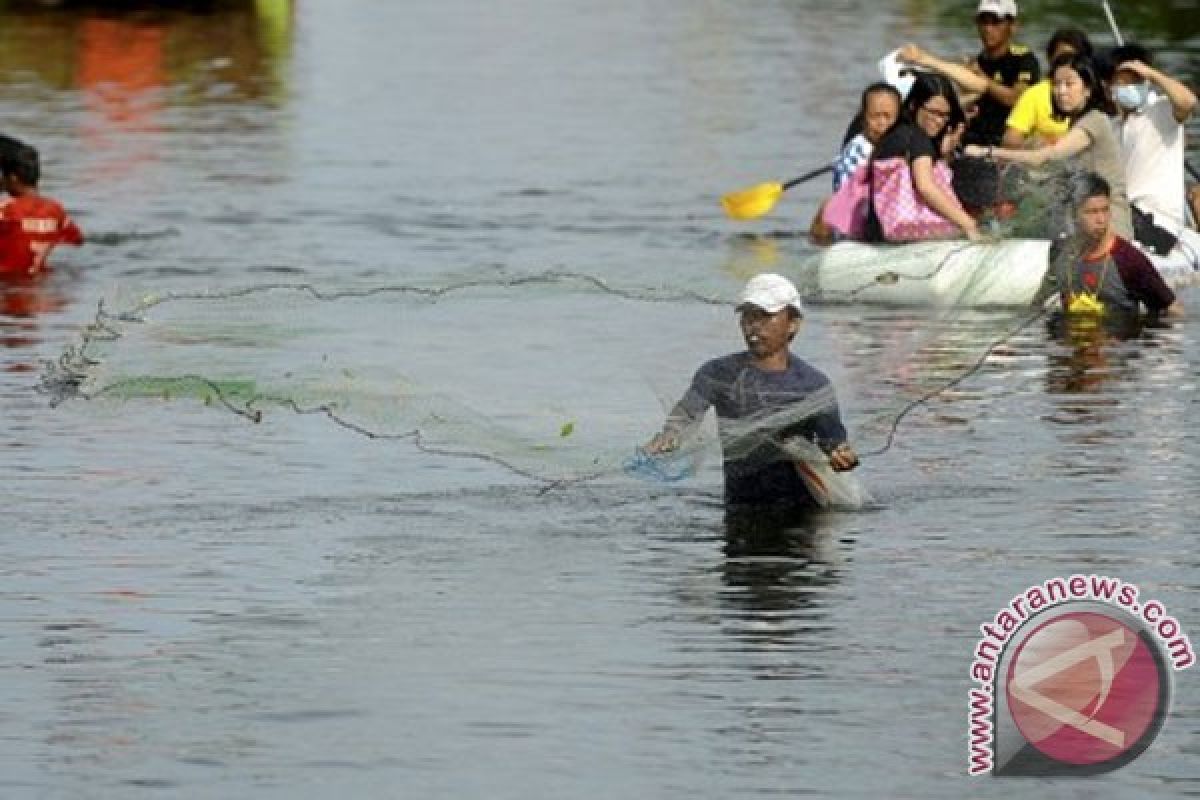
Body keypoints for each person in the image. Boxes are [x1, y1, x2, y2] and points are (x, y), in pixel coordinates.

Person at [644, 273, 858, 510]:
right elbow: (686, 414)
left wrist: (841, 455)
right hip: (739, 504)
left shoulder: (812, 385)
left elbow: (834, 442)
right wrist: (668, 436)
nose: (753, 325)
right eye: (748, 316)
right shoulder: (718, 374)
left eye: (766, 316)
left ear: (793, 324)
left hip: (800, 512)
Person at [965, 54, 1133, 240]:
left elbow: (1047, 156)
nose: (1060, 91)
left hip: (1110, 224)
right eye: (1056, 84)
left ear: (1088, 89)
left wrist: (988, 151)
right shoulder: (1074, 124)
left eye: (1069, 84)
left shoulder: (1095, 120)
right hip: (1083, 219)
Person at [1034, 173, 1181, 317]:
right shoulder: (1061, 251)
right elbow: (1038, 303)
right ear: (1073, 215)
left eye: (1105, 210)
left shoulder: (1128, 259)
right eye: (1091, 212)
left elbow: (1171, 310)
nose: (1101, 220)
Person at [865, 72, 979, 242]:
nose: (939, 121)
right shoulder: (918, 139)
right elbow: (925, 187)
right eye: (933, 112)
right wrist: (968, 223)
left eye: (945, 115)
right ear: (913, 105)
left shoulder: (896, 133)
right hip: (901, 236)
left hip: (877, 229)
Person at [1106, 43, 1198, 245]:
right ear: (1111, 86)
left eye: (1136, 81)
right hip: (1124, 217)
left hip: (1160, 221)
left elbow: (1188, 102)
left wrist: (1152, 74)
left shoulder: (1161, 110)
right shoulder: (1112, 126)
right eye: (1123, 81)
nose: (1129, 87)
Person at [809, 83, 902, 244]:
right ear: (863, 117)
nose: (882, 124)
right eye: (875, 116)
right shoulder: (857, 153)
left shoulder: (899, 144)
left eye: (888, 117)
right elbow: (854, 204)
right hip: (854, 232)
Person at [0, 143, 83, 276]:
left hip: (7, 285)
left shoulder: (5, 211)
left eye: (3, 176)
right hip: (38, 282)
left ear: (13, 177)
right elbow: (78, 240)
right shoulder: (55, 210)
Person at [1002, 28, 1093, 148]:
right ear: (1050, 59)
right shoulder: (1035, 94)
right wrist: (1037, 143)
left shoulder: (1098, 95)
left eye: (1073, 59)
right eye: (1061, 58)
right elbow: (1010, 139)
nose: (1066, 64)